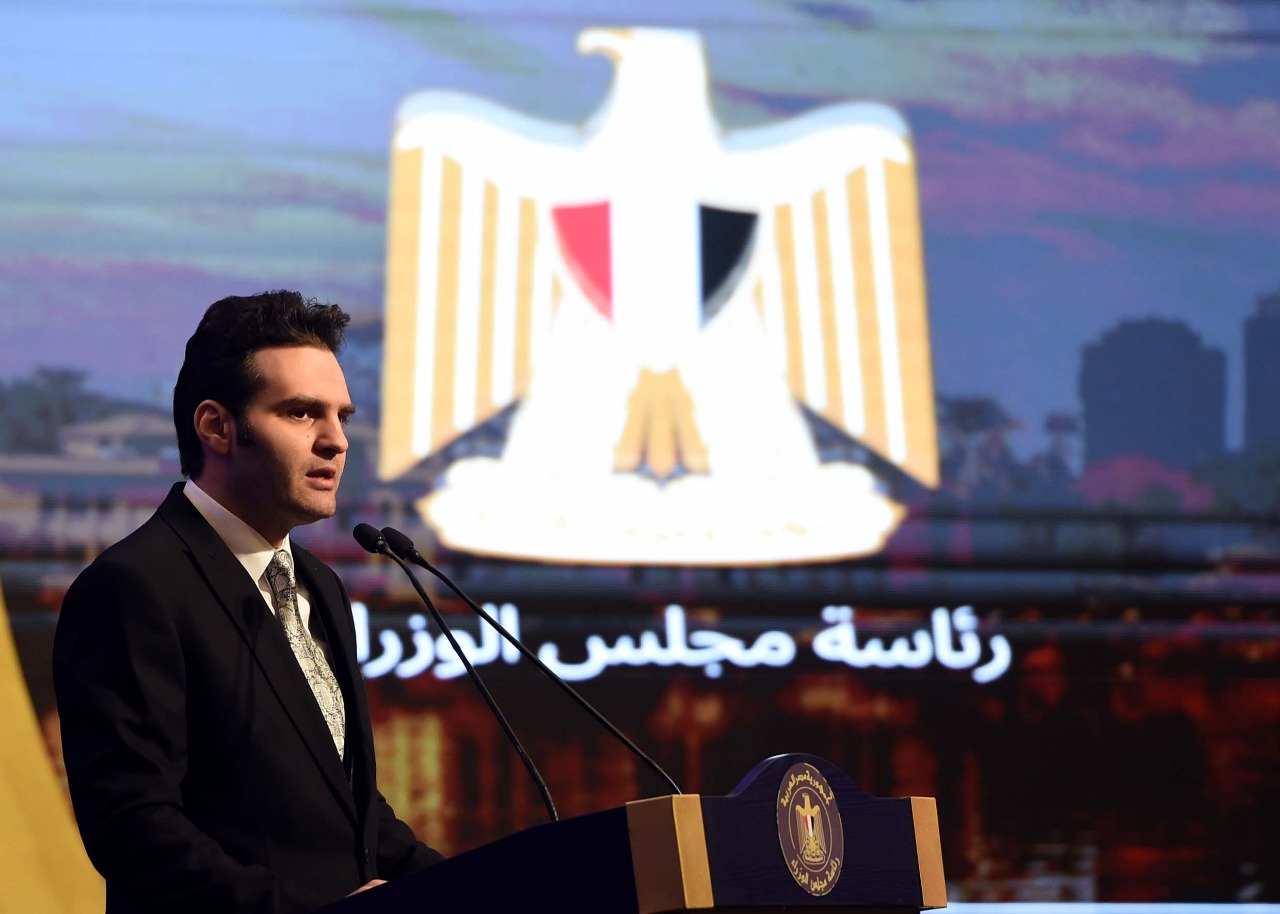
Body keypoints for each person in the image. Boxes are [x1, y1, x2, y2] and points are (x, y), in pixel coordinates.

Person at [53, 291, 444, 914]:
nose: (336, 441)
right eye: (301, 413)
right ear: (217, 427)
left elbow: (350, 812)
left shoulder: (321, 585)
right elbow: (135, 830)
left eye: (342, 416)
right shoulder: (133, 587)